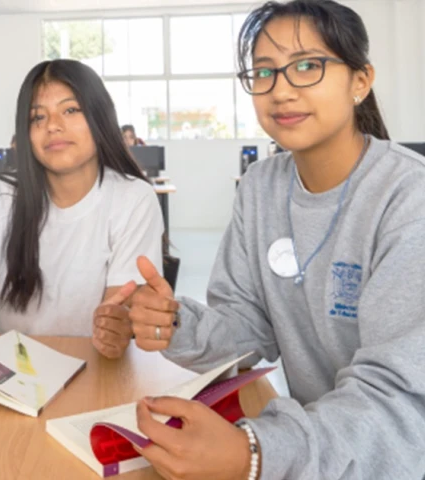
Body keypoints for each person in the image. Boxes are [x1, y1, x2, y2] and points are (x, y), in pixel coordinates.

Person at [127, 1, 425, 479]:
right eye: (264, 72)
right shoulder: (260, 188)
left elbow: (396, 399)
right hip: (321, 456)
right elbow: (247, 326)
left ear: (360, 81)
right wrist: (176, 323)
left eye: (307, 66)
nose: (281, 90)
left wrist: (257, 451)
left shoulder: (409, 199)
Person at [0, 59, 164, 361]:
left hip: (90, 367)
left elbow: (117, 312)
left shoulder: (132, 199)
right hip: (2, 369)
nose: (52, 126)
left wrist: (117, 329)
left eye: (70, 110)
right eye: (37, 117)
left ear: (100, 118)